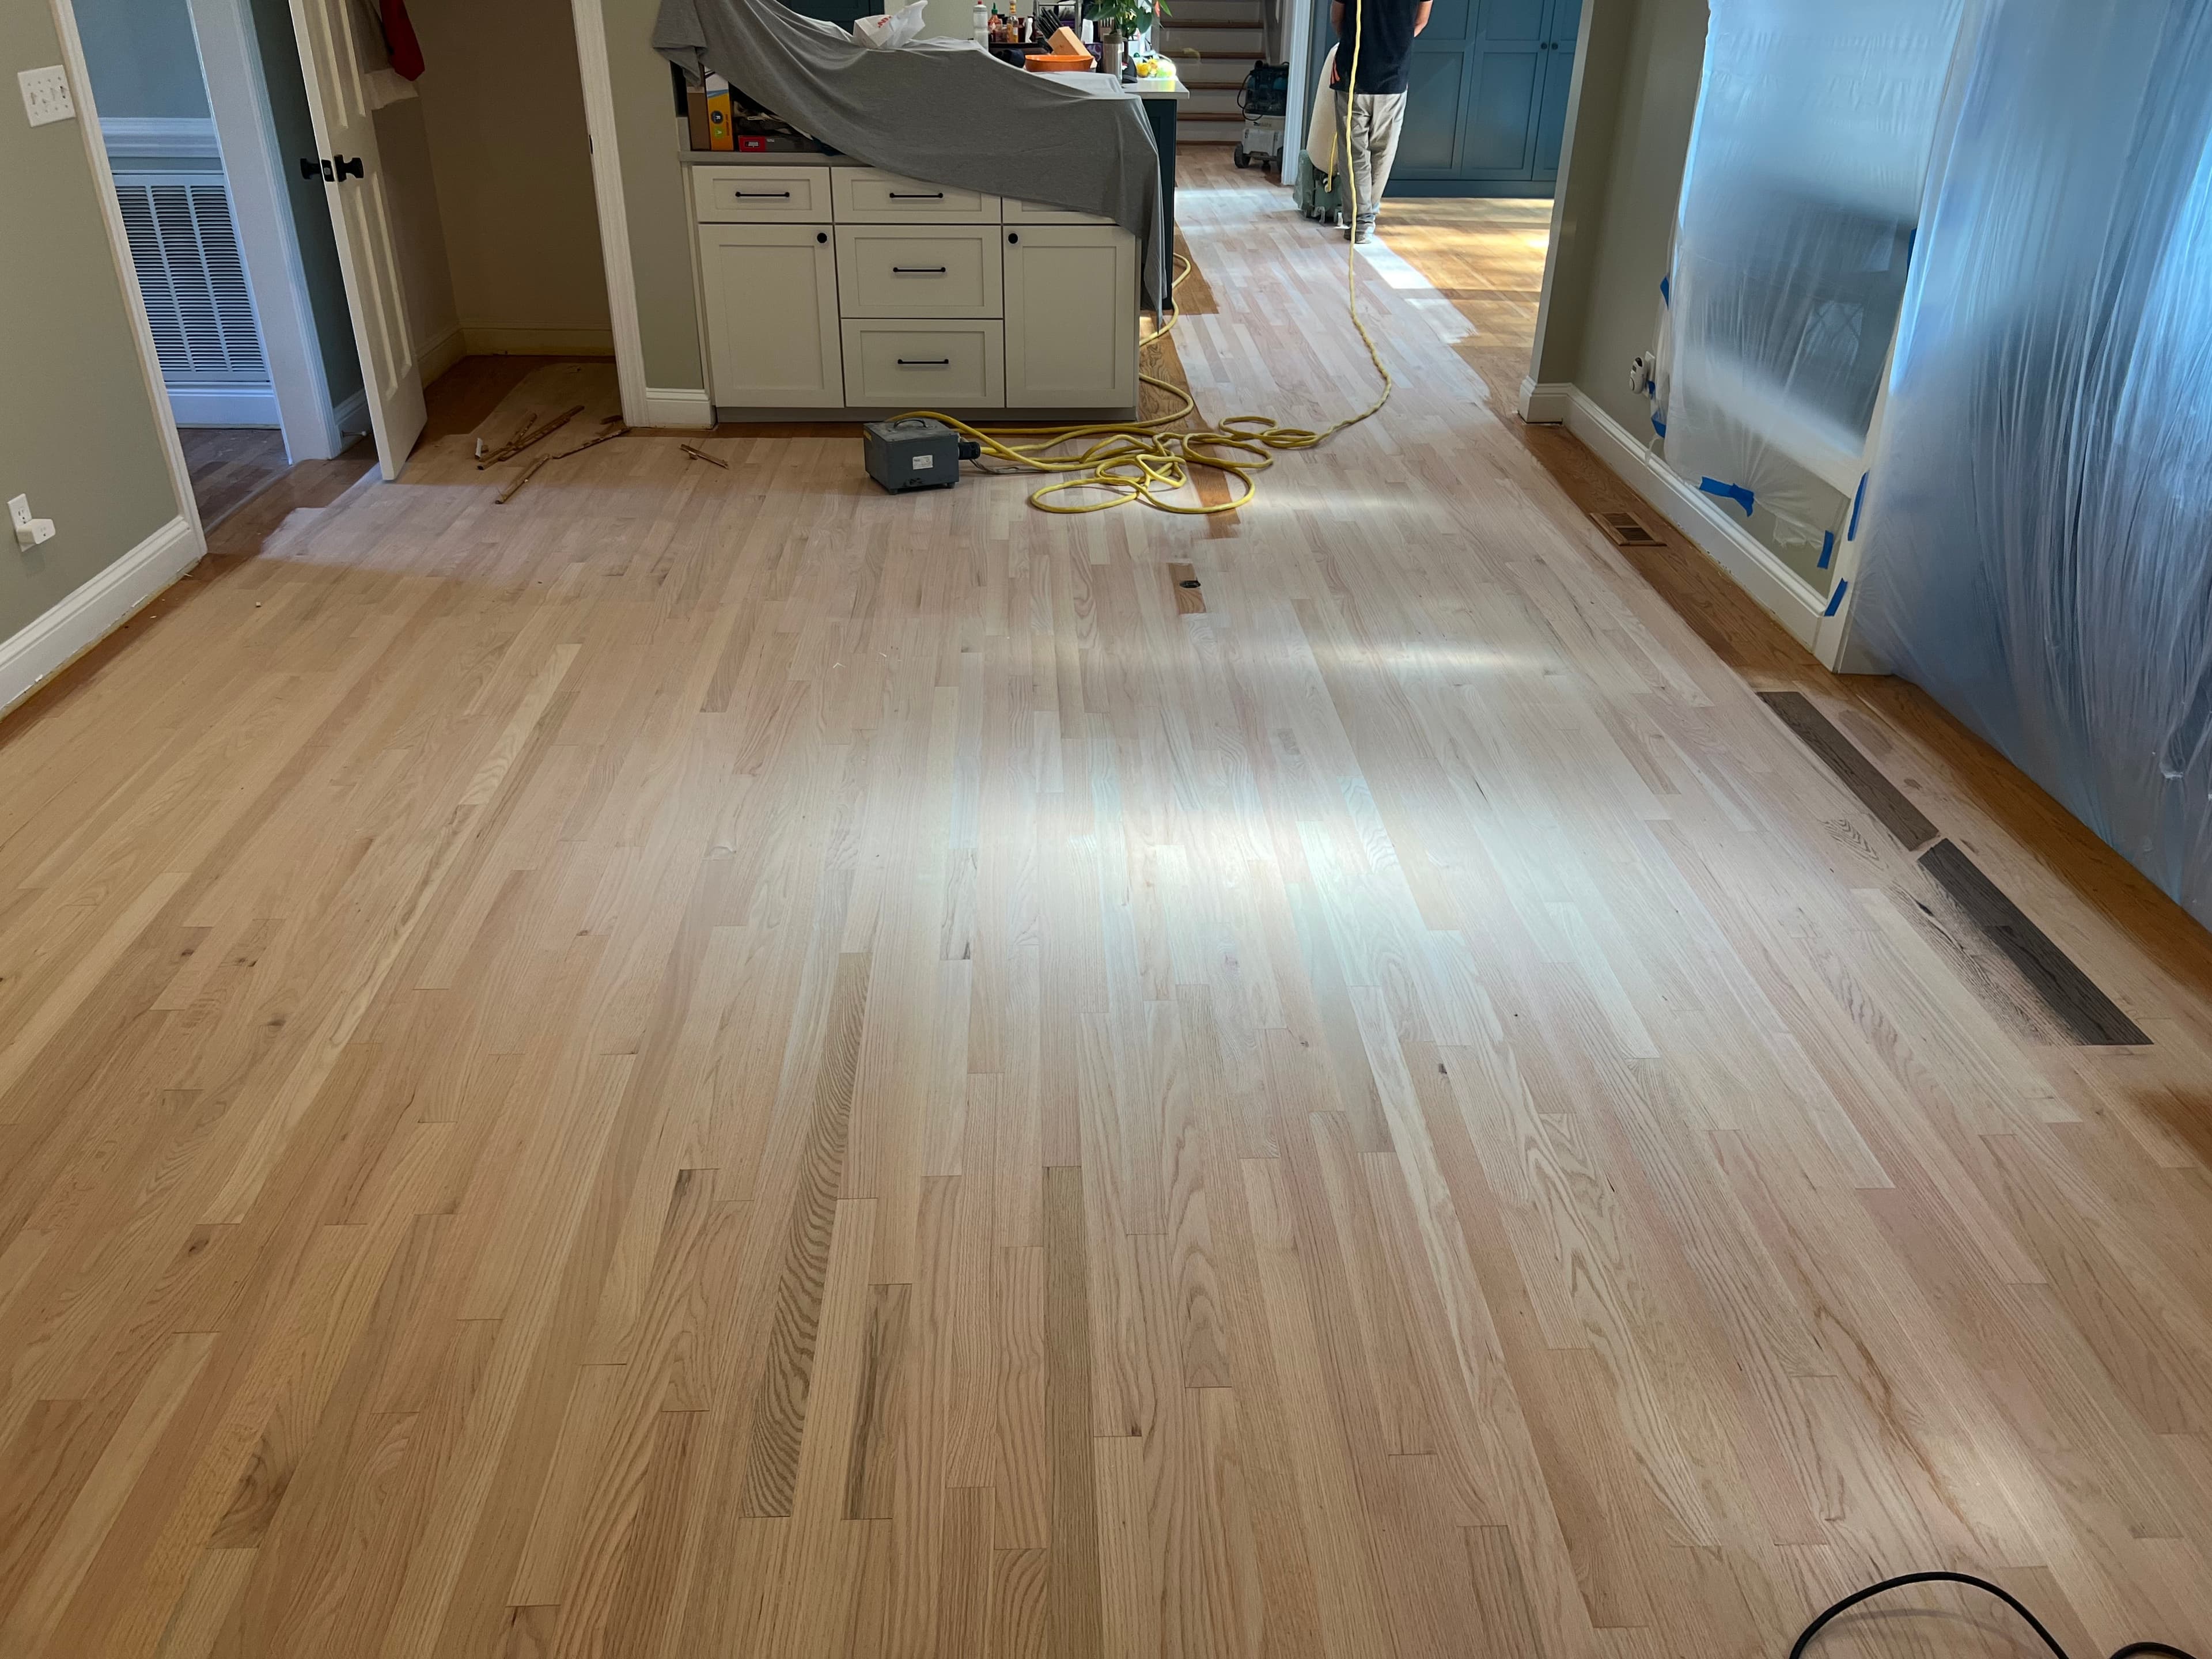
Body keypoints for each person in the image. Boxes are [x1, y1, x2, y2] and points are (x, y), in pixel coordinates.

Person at [1329, 0, 1430, 242]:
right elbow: (1420, 21)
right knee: (1383, 151)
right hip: (1393, 75)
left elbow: (1337, 20)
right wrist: (1395, 46)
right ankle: (1365, 220)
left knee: (1354, 153)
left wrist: (1359, 45)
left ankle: (1361, 222)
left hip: (1353, 72)